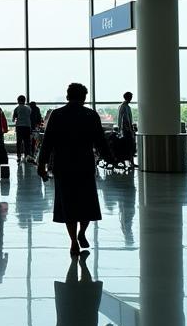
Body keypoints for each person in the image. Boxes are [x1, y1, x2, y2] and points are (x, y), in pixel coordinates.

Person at [38, 83, 109, 256]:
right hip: (84, 164)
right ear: (84, 97)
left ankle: (73, 242)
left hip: (63, 165)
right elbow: (100, 141)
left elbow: (47, 142)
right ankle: (82, 233)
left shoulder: (57, 114)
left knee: (68, 203)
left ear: (67, 96)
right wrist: (110, 158)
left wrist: (42, 164)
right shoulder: (91, 115)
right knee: (86, 202)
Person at [12, 95, 32, 163]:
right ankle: (27, 156)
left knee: (19, 142)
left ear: (18, 101)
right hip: (27, 126)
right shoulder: (28, 108)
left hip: (19, 127)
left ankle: (19, 156)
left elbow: (13, 119)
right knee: (27, 142)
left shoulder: (17, 108)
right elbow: (30, 116)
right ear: (24, 100)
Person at [117, 91, 135, 160]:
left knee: (129, 145)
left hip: (127, 129)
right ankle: (129, 160)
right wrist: (120, 130)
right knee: (128, 145)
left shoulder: (126, 107)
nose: (131, 99)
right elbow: (120, 118)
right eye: (130, 97)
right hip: (125, 130)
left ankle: (130, 160)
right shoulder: (123, 107)